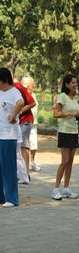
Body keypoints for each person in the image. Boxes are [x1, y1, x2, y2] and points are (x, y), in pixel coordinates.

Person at [51, 74, 79, 200]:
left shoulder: (75, 98)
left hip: (74, 132)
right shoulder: (62, 97)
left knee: (70, 162)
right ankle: (56, 189)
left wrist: (78, 92)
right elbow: (56, 113)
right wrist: (70, 113)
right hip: (64, 132)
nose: (75, 84)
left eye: (76, 82)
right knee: (64, 161)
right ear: (66, 84)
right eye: (73, 83)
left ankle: (67, 188)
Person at [0, 68, 24, 207]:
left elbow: (20, 103)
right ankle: (1, 197)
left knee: (8, 167)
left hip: (8, 135)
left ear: (4, 80)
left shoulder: (14, 92)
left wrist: (13, 116)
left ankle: (12, 198)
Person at [13, 80, 36, 179]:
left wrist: (19, 112)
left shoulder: (17, 86)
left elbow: (32, 103)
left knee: (23, 146)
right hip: (13, 123)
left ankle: (25, 173)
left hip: (24, 121)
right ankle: (19, 173)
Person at [21, 76, 41, 171]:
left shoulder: (33, 94)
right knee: (24, 145)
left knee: (33, 144)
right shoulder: (23, 94)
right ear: (27, 86)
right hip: (25, 121)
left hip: (32, 121)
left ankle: (31, 163)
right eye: (32, 85)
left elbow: (34, 104)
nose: (34, 87)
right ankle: (25, 167)